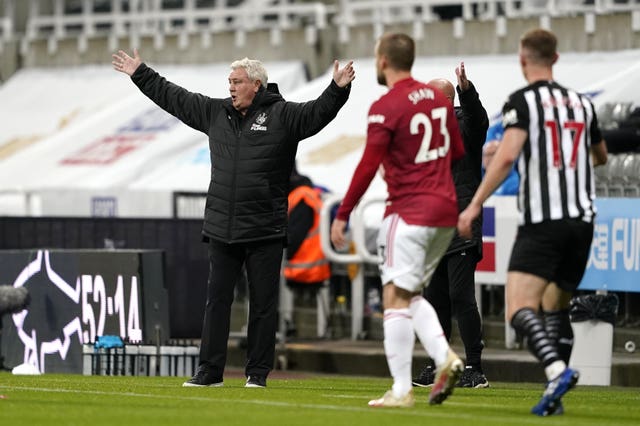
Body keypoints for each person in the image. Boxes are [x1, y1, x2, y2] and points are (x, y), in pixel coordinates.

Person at [112, 49, 355, 388]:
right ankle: (209, 372)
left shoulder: (282, 115)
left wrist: (338, 89)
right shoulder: (216, 113)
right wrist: (141, 73)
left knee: (263, 306)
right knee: (217, 303)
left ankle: (257, 374)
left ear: (257, 85)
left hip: (264, 229)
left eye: (237, 82)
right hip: (222, 227)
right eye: (229, 81)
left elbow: (317, 113)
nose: (231, 87)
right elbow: (173, 97)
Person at [458, 28, 608, 416]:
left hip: (544, 220)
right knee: (555, 307)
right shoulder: (582, 103)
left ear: (523, 60)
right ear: (556, 59)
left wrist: (475, 205)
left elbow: (506, 157)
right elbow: (601, 156)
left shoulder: (522, 102)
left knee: (518, 309)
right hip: (583, 220)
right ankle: (552, 395)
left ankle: (557, 372)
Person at [331, 32, 466, 408]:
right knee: (411, 294)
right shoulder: (438, 101)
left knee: (393, 296)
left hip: (408, 211)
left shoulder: (386, 105)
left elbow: (367, 165)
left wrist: (343, 213)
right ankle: (445, 357)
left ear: (383, 61)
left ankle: (403, 389)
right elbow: (456, 151)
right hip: (445, 212)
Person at [412, 63, 490, 389]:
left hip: (460, 222)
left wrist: (466, 91)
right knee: (435, 300)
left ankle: (475, 366)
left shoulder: (463, 124)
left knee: (461, 296)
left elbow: (479, 120)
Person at [482, 121, 519, 195]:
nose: (489, 159)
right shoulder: (479, 175)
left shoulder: (513, 181)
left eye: (493, 154)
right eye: (487, 155)